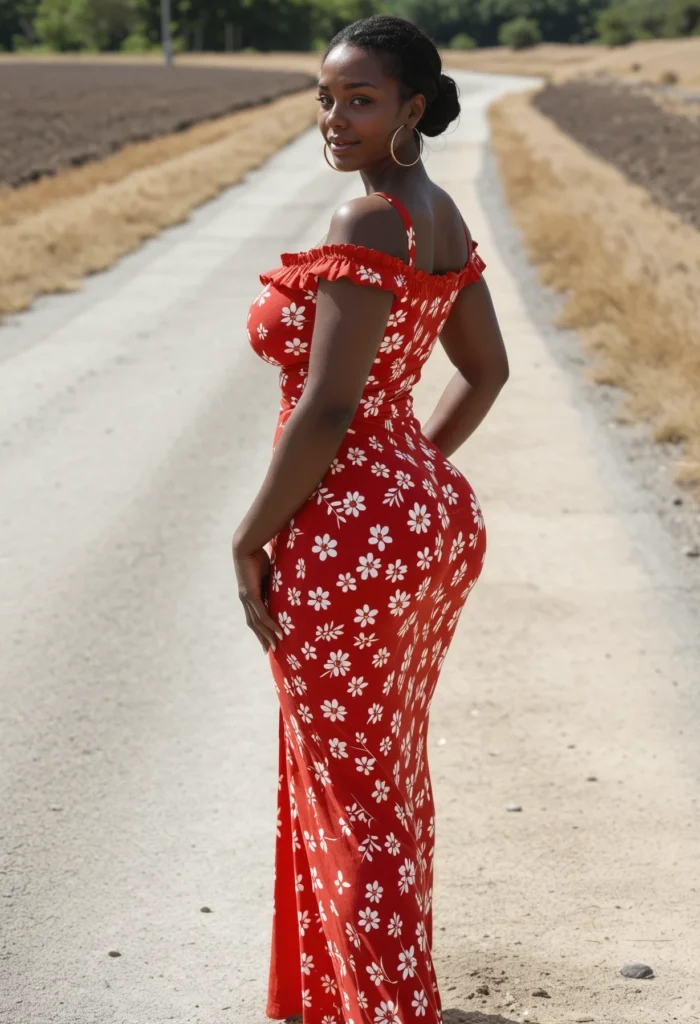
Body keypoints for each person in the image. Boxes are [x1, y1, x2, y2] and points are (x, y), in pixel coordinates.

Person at [232, 13, 509, 1024]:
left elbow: (329, 408)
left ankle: (383, 1007)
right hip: (427, 526)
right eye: (326, 97)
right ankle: (352, 994)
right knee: (382, 770)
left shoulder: (368, 220)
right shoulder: (437, 212)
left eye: (360, 99)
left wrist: (247, 537)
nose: (334, 117)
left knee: (349, 785)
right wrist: (410, 475)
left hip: (352, 538)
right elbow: (487, 372)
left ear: (413, 108)